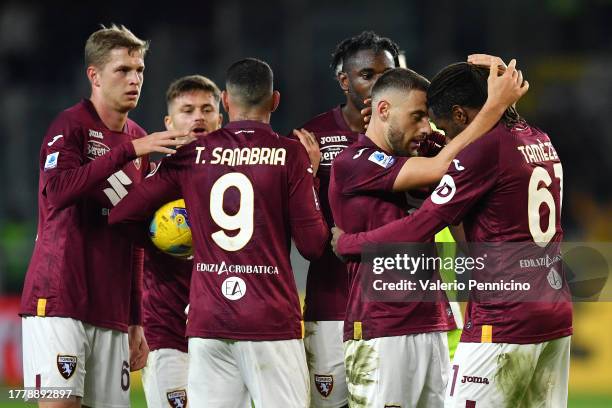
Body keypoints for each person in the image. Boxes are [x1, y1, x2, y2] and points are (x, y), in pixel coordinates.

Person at [333, 58, 571, 408]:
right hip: (554, 311)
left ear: (460, 115)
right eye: (420, 118)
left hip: (502, 319)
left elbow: (422, 223)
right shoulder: (539, 138)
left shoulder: (484, 151)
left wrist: (349, 243)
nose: (435, 133)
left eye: (440, 123)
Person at [109, 58, 329, 407]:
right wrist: (311, 176)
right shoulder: (290, 154)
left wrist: (171, 241)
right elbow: (314, 246)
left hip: (209, 322)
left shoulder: (192, 155)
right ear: (274, 101)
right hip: (269, 320)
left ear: (225, 102)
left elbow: (121, 216)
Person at [20, 24, 185, 408]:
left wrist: (136, 318)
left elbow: (136, 237)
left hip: (111, 310)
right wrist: (127, 152)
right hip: (59, 299)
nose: (135, 79)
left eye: (139, 70)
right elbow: (57, 192)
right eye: (123, 70)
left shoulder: (140, 138)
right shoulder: (70, 126)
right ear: (94, 75)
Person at [290, 31, 399, 408]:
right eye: (367, 74)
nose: (378, 83)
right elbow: (305, 233)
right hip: (332, 305)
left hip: (392, 307)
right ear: (344, 81)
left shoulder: (410, 137)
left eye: (387, 74)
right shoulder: (312, 136)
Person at [141, 75, 223, 408]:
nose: (198, 117)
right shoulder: (150, 181)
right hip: (167, 335)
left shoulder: (240, 181)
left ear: (221, 117)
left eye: (207, 109)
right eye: (187, 110)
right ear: (169, 121)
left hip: (224, 336)